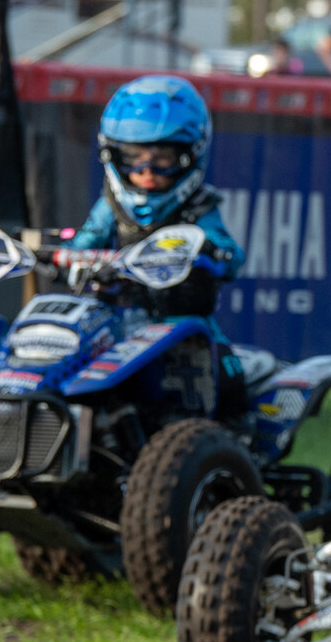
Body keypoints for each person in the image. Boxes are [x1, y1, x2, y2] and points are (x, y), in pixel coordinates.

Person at [68, 76, 248, 409]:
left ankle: (234, 433)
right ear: (112, 155)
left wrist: (210, 251)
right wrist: (68, 257)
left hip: (181, 320)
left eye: (162, 158)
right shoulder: (112, 204)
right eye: (133, 157)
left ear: (190, 156)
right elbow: (86, 240)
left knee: (227, 375)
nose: (147, 170)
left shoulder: (199, 206)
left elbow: (231, 255)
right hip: (117, 319)